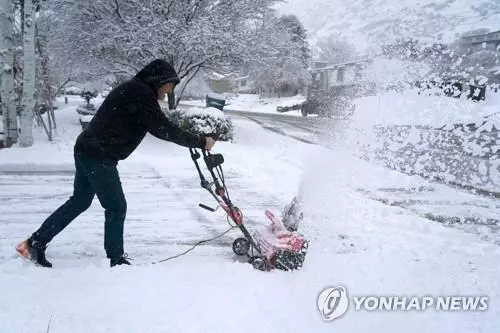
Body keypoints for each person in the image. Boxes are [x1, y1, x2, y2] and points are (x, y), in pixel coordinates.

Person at [16, 59, 216, 268]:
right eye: (169, 85)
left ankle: (35, 243)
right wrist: (200, 141)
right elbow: (163, 128)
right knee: (116, 207)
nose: (169, 91)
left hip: (88, 149)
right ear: (159, 80)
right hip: (98, 155)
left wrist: (196, 140)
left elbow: (160, 125)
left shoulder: (135, 90)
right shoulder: (140, 93)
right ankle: (115, 258)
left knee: (80, 202)